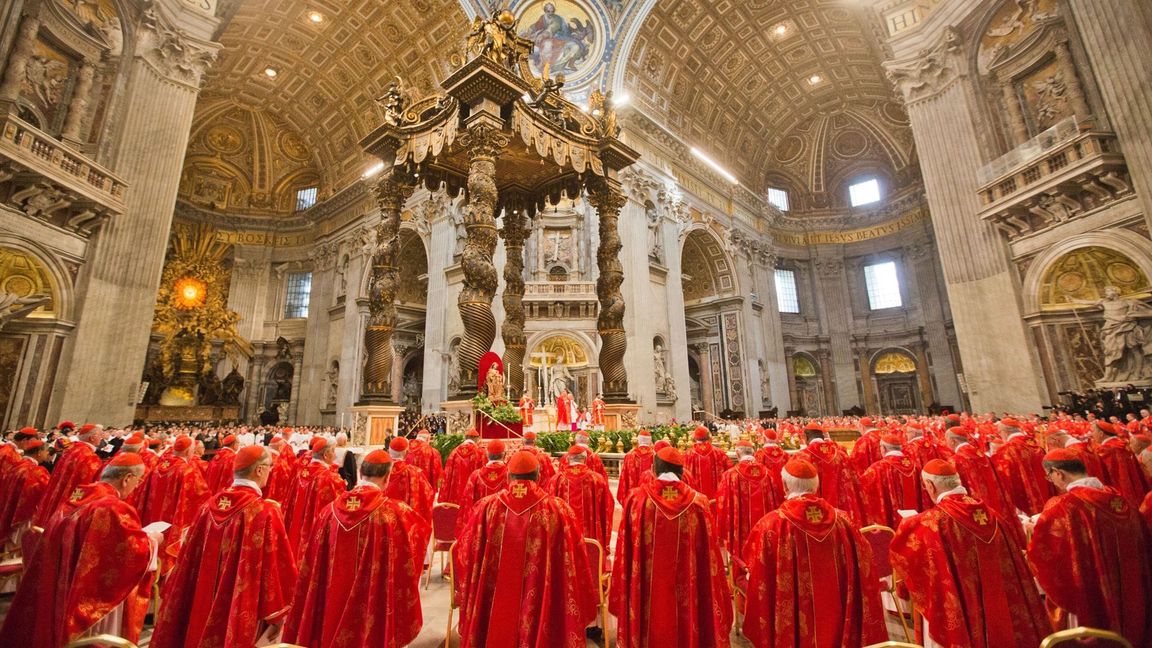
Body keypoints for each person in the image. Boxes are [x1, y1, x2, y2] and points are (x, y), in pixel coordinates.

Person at [0, 452, 156, 646]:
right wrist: (152, 541)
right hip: (88, 596)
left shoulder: (79, 495)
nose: (137, 487)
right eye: (138, 481)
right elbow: (129, 555)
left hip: (60, 584)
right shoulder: (113, 508)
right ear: (127, 479)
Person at [891, 460, 1050, 648]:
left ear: (931, 486)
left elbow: (904, 555)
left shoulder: (932, 523)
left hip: (961, 605)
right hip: (1002, 608)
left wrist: (909, 525)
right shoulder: (994, 516)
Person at [151, 445, 298, 648]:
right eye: (269, 467)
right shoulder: (264, 512)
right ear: (259, 470)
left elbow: (187, 562)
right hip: (241, 605)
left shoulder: (208, 507)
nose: (271, 471)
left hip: (200, 603)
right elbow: (276, 568)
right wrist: (277, 615)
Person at [282, 449, 431, 648]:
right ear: (387, 477)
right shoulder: (394, 514)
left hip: (330, 602)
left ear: (361, 474)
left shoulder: (329, 512)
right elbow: (418, 539)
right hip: (372, 601)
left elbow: (312, 564)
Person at [453, 449, 596, 647]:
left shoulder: (486, 508)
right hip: (540, 597)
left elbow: (465, 552)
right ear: (538, 475)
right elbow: (575, 560)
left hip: (494, 600)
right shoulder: (558, 510)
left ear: (509, 476)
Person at [741, 458, 887, 648]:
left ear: (784, 485)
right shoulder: (844, 521)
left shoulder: (772, 524)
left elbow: (758, 575)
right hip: (841, 615)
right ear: (816, 486)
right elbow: (865, 567)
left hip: (795, 621)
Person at [611, 446, 732, 647]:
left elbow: (625, 552)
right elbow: (710, 560)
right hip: (689, 590)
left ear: (654, 469)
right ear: (682, 472)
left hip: (647, 589)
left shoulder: (637, 500)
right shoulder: (699, 503)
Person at [1028, 448, 1152, 644]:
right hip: (1132, 588)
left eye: (1049, 477)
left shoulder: (1064, 506)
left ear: (1059, 473)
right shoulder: (1120, 499)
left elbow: (1044, 555)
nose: (1051, 481)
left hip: (1091, 591)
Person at [133, 434, 209, 573]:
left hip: (153, 517)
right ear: (187, 452)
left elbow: (144, 493)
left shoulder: (157, 467)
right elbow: (202, 496)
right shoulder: (187, 470)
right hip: (175, 520)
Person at [33, 422, 106, 526]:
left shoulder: (70, 450)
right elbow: (90, 485)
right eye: (100, 435)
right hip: (74, 500)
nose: (102, 437)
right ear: (92, 438)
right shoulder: (91, 458)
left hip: (60, 495)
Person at [716, 440, 779, 558]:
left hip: (741, 531)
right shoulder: (768, 474)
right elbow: (775, 501)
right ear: (753, 453)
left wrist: (723, 529)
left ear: (738, 454)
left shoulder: (730, 475)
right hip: (765, 529)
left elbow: (722, 504)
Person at [795, 422, 865, 524]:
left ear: (805, 437)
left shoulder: (801, 457)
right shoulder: (842, 455)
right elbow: (854, 482)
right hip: (842, 509)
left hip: (814, 512)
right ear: (823, 436)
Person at [284, 437, 346, 549]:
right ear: (326, 455)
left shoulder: (300, 473)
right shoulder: (331, 478)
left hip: (298, 527)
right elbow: (339, 508)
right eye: (333, 451)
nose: (335, 455)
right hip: (317, 530)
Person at [549, 445, 614, 550]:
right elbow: (608, 506)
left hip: (564, 539)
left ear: (568, 459)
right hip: (591, 538)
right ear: (585, 459)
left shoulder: (556, 480)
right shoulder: (597, 479)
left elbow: (550, 510)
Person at [944, 423, 1013, 520]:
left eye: (946, 440)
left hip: (975, 511)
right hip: (995, 504)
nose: (946, 443)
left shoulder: (955, 460)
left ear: (952, 441)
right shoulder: (983, 455)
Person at [860, 431, 926, 528]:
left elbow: (862, 491)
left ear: (883, 448)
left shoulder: (878, 468)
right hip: (916, 519)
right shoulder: (916, 466)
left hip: (891, 523)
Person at [991, 417, 1050, 515]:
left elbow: (1002, 477)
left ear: (1005, 432)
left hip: (1023, 498)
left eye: (999, 433)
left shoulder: (1006, 449)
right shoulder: (1036, 443)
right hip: (1044, 492)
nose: (1000, 436)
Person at [0, 437, 49, 544]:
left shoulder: (16, 465)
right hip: (25, 516)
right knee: (19, 546)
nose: (48, 453)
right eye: (46, 451)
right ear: (39, 453)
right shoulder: (37, 471)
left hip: (9, 509)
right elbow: (46, 493)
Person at [1093, 420, 1150, 507]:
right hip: (1134, 482)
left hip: (1119, 487)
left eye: (1093, 431)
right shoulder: (1123, 443)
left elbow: (1105, 473)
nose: (1092, 434)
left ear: (1101, 433)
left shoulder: (1105, 449)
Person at [383, 436, 434, 520]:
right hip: (407, 523)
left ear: (388, 452)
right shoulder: (416, 473)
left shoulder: (378, 471)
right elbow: (428, 496)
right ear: (407, 453)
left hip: (384, 521)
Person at [684, 425, 733, 501]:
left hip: (696, 500)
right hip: (716, 499)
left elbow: (683, 476)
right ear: (709, 437)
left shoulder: (688, 454)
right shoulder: (719, 453)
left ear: (695, 438)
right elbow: (730, 471)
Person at [441, 428, 486, 505]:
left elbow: (447, 473)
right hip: (472, 492)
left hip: (456, 493)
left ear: (465, 437)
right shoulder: (480, 452)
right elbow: (484, 472)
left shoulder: (454, 452)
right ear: (477, 439)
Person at [616, 428, 655, 502]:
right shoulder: (655, 456)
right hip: (650, 500)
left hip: (633, 498)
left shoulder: (629, 455)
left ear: (638, 441)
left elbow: (624, 477)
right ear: (650, 441)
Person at [407, 428, 444, 493]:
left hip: (407, 486)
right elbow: (437, 472)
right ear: (427, 439)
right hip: (425, 489)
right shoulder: (433, 452)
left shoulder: (405, 448)